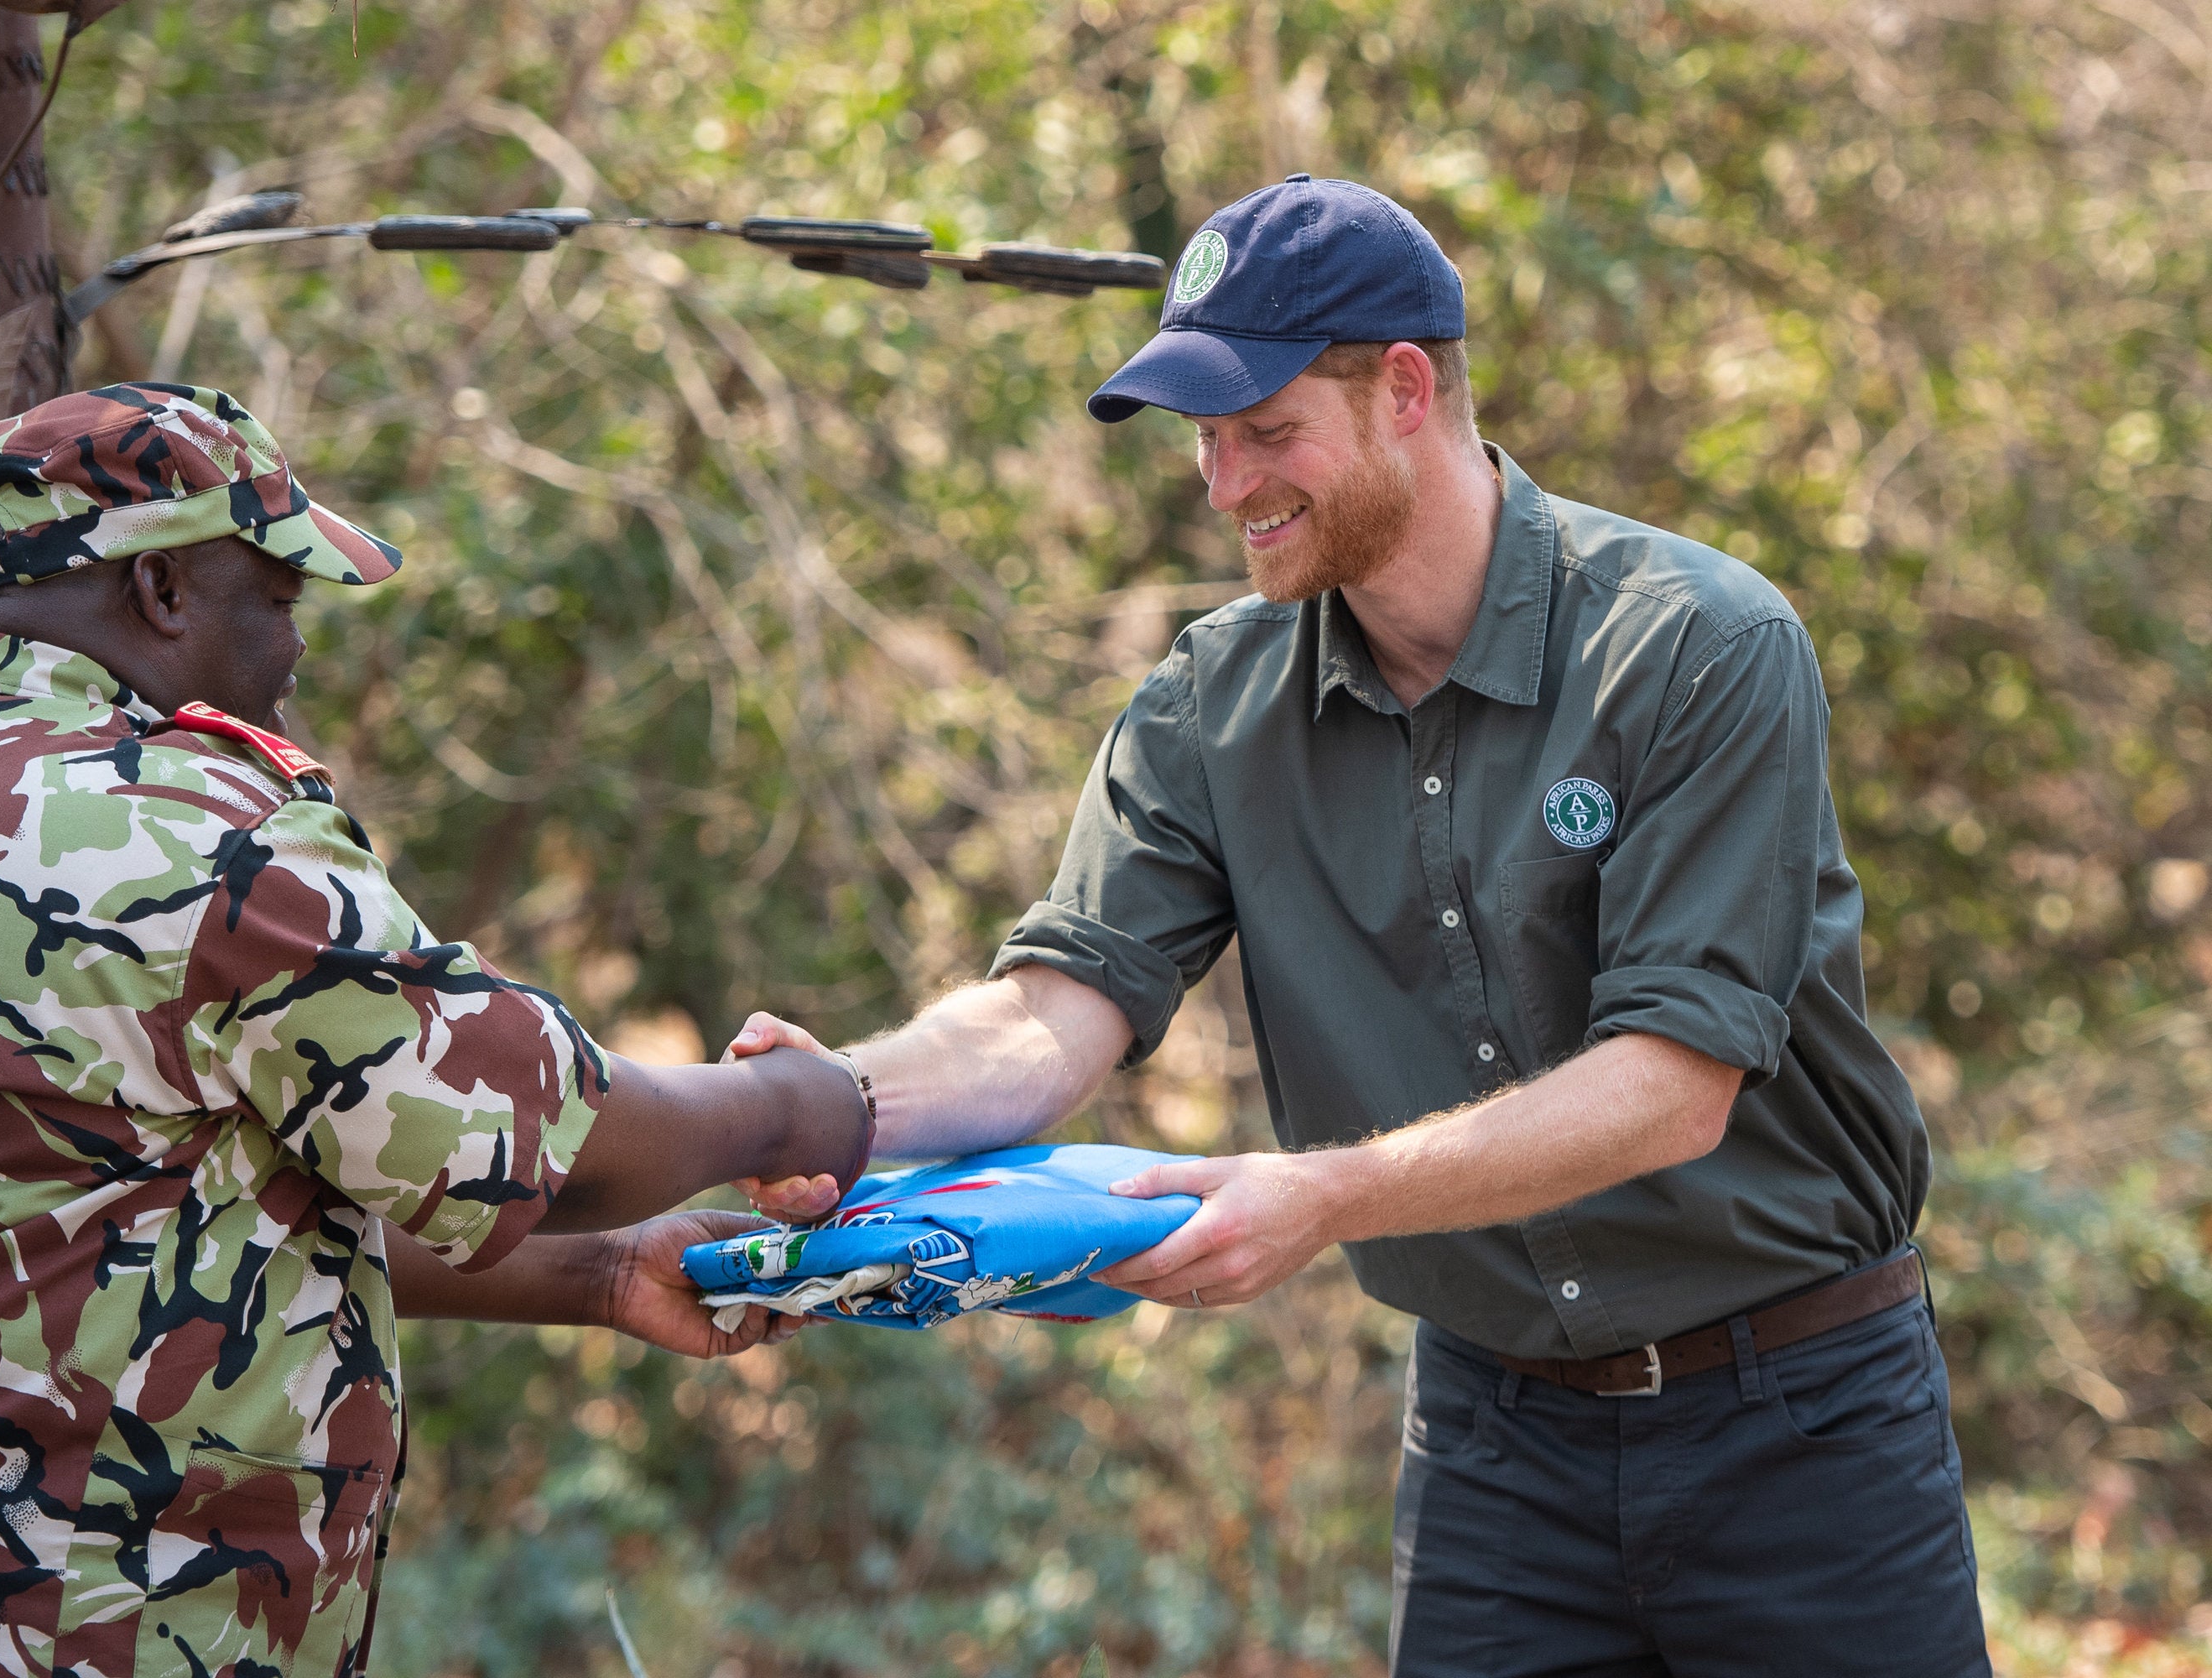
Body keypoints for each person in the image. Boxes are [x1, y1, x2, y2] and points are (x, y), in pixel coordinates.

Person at [729, 178, 1989, 1675]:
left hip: (1801, 1426)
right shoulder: (1211, 705)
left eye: (1264, 429)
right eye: (1202, 437)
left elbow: (1672, 1084)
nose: (1221, 480)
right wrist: (846, 1106)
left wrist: (1324, 1197)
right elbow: (1053, 1007)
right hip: (1498, 1446)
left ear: (1405, 390)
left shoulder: (1700, 646)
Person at [0, 383, 872, 1678]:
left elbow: (128, 1207)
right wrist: (806, 1106)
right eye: (280, 600)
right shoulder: (172, 826)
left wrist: (600, 1276)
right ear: (163, 593)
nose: (294, 655)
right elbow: (546, 1134)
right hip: (26, 1622)